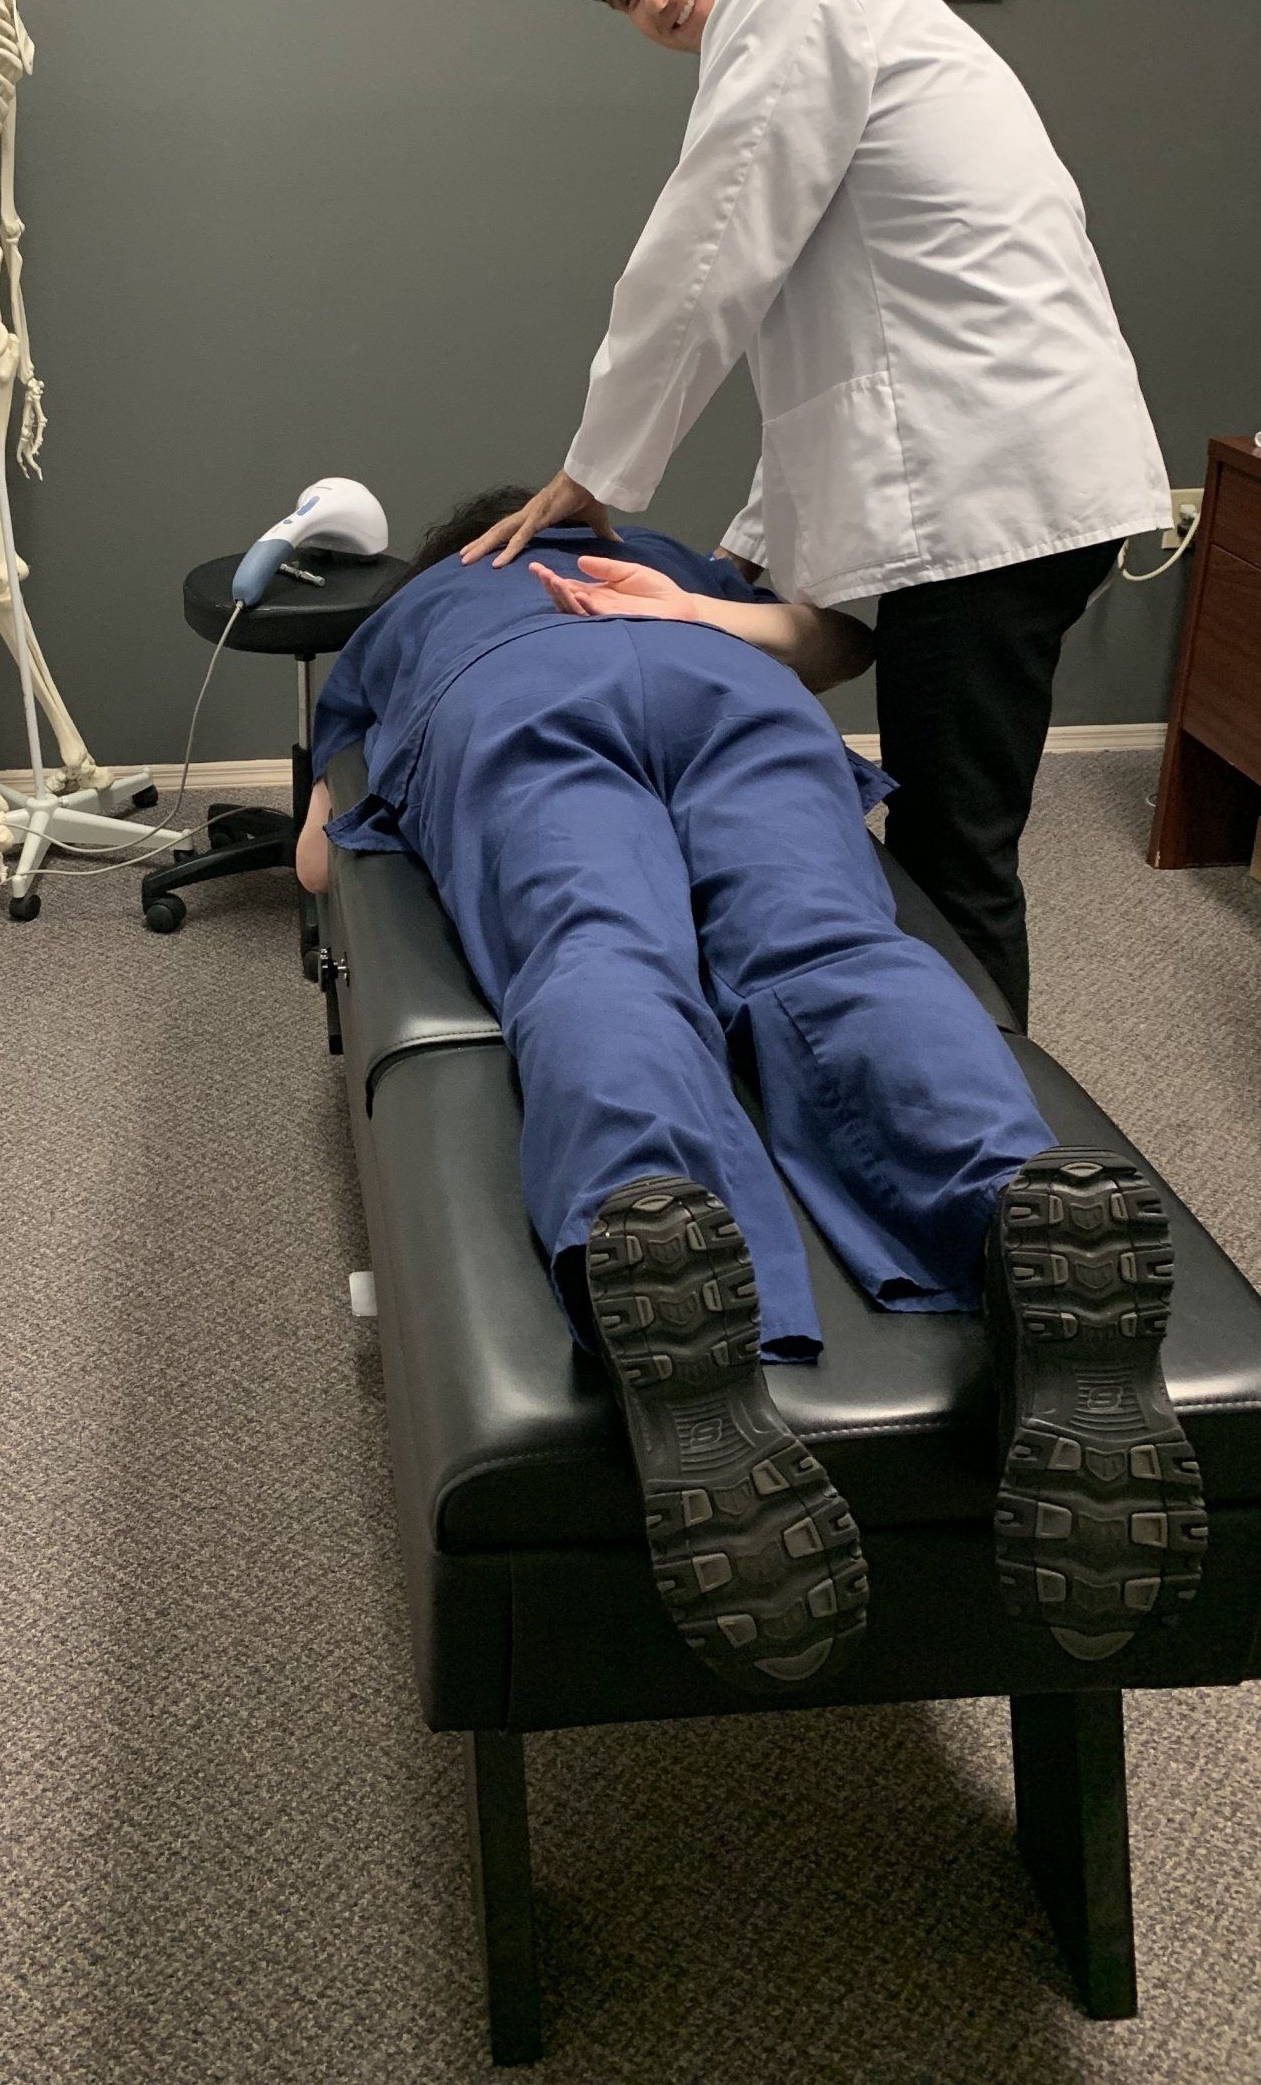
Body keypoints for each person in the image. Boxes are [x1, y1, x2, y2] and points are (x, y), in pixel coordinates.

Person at [300, 491, 1205, 1692]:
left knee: (602, 952)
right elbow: (832, 642)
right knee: (831, 949)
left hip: (513, 700)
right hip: (728, 681)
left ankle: (656, 1205)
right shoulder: (669, 564)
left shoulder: (414, 608)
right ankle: (1004, 1196)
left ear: (452, 547)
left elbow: (319, 860)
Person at [458, 0, 1174, 1030]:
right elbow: (824, 349)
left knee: (955, 852)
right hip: (992, 474)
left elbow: (704, 256)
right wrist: (745, 548)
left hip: (993, 490)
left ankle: (996, 1157)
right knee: (948, 831)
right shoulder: (841, 12)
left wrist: (596, 471)